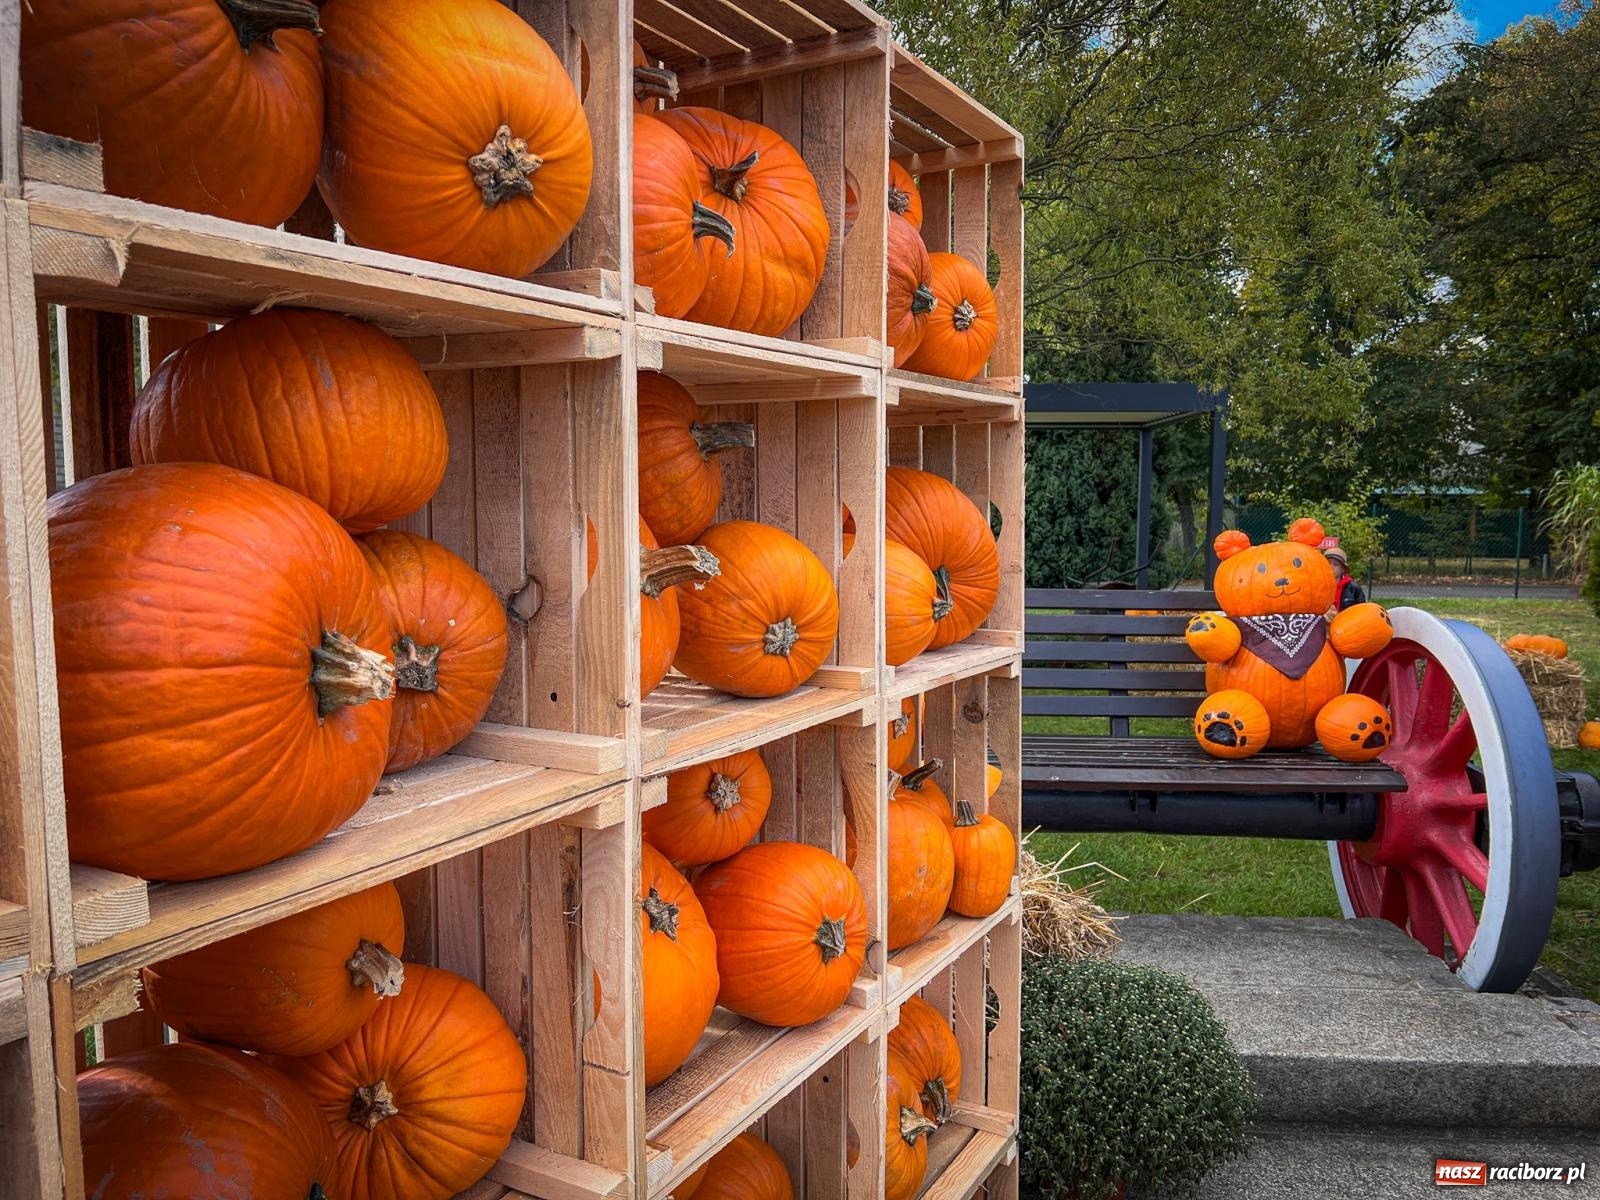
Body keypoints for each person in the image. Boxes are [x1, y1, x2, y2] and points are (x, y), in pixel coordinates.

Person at [1321, 540, 1366, 612]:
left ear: (1343, 569)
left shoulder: (1353, 588)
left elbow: (1361, 611)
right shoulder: (1317, 586)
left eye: (1336, 564)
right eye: (1328, 563)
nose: (1331, 567)